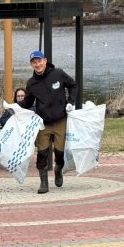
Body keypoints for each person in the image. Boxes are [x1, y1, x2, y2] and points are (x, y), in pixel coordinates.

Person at [18, 50, 78, 193]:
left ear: (45, 61)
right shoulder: (31, 83)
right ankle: (43, 183)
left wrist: (71, 101)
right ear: (31, 65)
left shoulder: (58, 74)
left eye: (39, 61)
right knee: (42, 153)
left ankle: (58, 168)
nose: (37, 64)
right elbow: (27, 102)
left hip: (60, 119)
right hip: (43, 123)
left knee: (59, 152)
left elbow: (73, 85)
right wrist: (15, 106)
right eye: (34, 62)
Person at [0, 87, 27, 171]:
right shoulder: (11, 107)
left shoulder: (30, 108)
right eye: (18, 96)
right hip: (7, 130)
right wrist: (12, 121)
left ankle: (11, 162)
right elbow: (2, 119)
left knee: (13, 138)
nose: (20, 97)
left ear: (26, 97)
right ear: (16, 97)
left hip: (21, 132)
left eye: (22, 96)